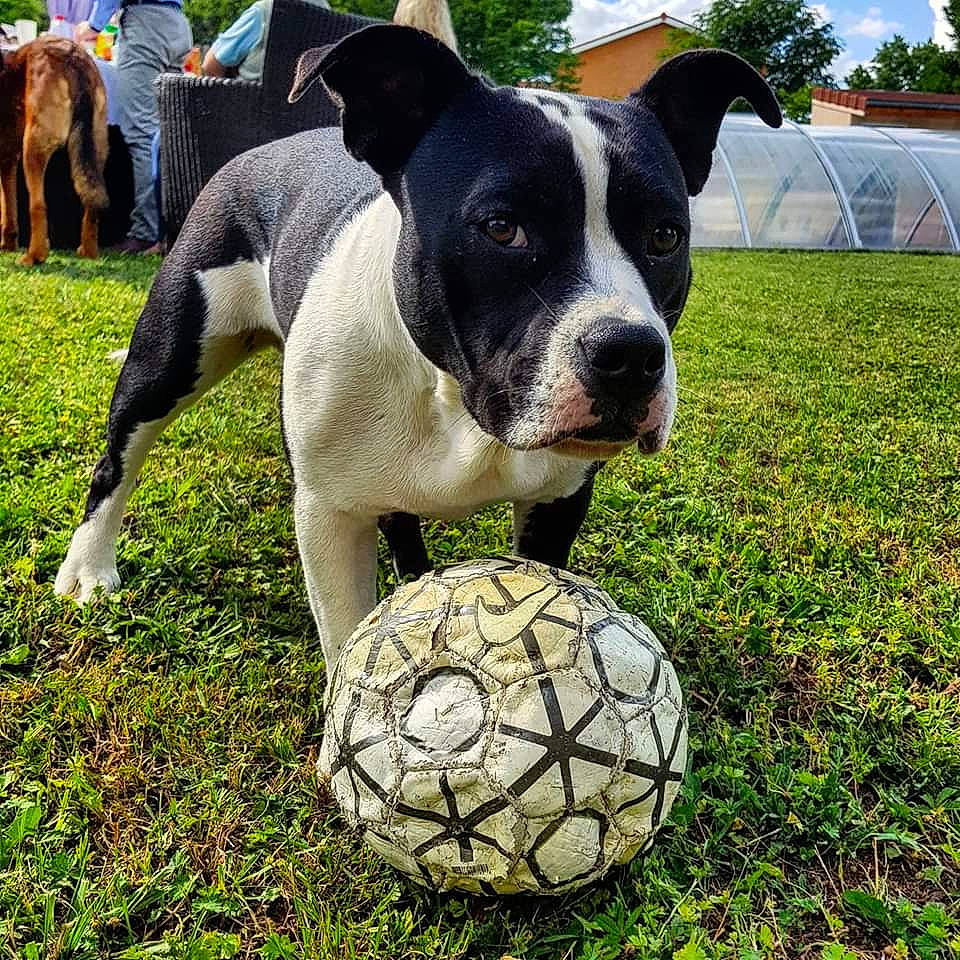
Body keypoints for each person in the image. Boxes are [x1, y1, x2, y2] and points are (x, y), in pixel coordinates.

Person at [74, 0, 192, 253]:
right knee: (167, 134)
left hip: (146, 25)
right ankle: (170, 230)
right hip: (177, 23)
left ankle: (145, 233)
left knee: (143, 133)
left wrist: (93, 25)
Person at [202, 0, 329, 82]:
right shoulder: (329, 18)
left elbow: (210, 64)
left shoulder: (264, 11)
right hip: (307, 118)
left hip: (247, 112)